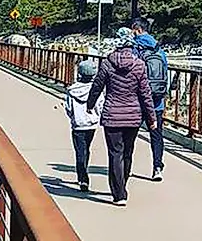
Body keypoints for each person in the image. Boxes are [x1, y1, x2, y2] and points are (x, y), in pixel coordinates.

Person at [86, 35, 156, 205]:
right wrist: (151, 117)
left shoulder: (107, 64)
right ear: (131, 48)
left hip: (112, 115)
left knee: (115, 154)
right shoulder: (139, 65)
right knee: (128, 152)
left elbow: (97, 86)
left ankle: (119, 194)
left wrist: (90, 104)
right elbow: (145, 94)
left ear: (116, 47)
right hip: (133, 116)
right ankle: (122, 183)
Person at [135, 29, 172, 179]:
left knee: (129, 135)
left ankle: (126, 165)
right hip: (157, 102)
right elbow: (166, 75)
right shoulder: (160, 51)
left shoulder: (135, 49)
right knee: (156, 135)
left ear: (136, 30)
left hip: (137, 102)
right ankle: (157, 167)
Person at [66, 56, 102, 194]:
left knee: (80, 151)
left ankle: (83, 178)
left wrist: (74, 118)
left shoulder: (72, 90)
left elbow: (68, 109)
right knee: (87, 148)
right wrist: (95, 117)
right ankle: (84, 173)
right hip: (91, 124)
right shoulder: (96, 90)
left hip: (78, 124)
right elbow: (100, 106)